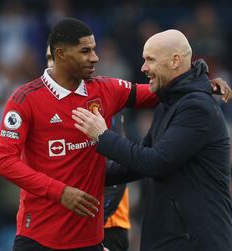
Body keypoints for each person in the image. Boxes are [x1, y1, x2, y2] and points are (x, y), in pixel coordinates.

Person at [0, 17, 232, 250]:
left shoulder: (105, 89)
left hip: (90, 239)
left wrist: (202, 84)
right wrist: (61, 192)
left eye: (94, 49)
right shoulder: (25, 100)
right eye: (86, 51)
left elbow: (163, 89)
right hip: (39, 238)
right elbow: (4, 161)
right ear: (61, 55)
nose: (95, 58)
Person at [73, 29, 232, 251]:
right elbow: (138, 163)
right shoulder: (170, 103)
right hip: (173, 237)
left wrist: (103, 136)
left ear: (175, 60)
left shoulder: (197, 108)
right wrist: (81, 178)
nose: (143, 68)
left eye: (150, 59)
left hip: (196, 241)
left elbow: (155, 162)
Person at [47, 44, 130, 251]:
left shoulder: (101, 102)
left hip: (106, 225)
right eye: (49, 58)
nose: (52, 64)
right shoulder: (41, 109)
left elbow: (118, 169)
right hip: (60, 228)